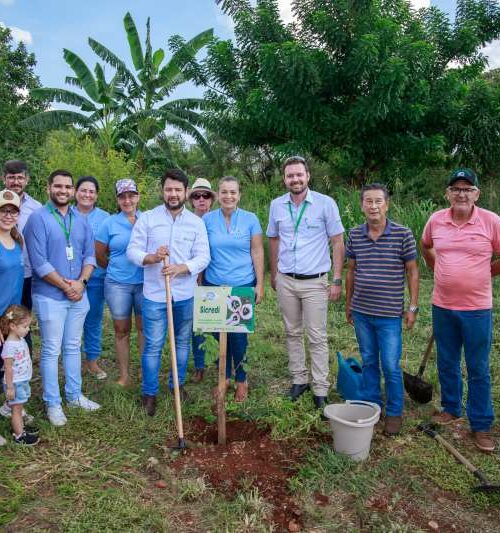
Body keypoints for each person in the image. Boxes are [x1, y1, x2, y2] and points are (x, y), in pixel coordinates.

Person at [421, 168, 500, 452]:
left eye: (467, 189)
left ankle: (480, 424)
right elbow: (426, 246)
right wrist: (438, 268)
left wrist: (486, 272)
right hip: (443, 306)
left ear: (476, 194)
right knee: (447, 360)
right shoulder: (436, 220)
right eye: (456, 189)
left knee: (478, 368)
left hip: (477, 308)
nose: (461, 194)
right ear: (448, 194)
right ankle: (451, 408)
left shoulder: (491, 222)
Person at [127, 169, 210, 416]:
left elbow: (204, 256)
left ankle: (177, 385)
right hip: (154, 294)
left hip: (185, 294)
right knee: (153, 345)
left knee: (182, 343)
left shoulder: (196, 223)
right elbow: (132, 250)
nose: (172, 194)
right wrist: (151, 257)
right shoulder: (149, 219)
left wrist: (183, 268)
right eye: (168, 189)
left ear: (186, 192)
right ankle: (149, 393)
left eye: (177, 190)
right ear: (162, 191)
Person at [267, 156, 345, 410]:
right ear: (284, 179)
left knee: (316, 336)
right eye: (290, 176)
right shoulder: (277, 205)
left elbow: (337, 242)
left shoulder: (325, 204)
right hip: (287, 280)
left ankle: (320, 388)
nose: (295, 179)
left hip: (315, 282)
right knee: (292, 332)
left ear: (308, 176)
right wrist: (274, 273)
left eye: (299, 174)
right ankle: (299, 379)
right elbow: (274, 239)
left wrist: (336, 279)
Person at [24, 169, 100, 427]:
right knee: (51, 350)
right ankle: (53, 403)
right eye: (59, 186)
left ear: (73, 191)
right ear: (48, 188)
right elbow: (39, 263)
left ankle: (74, 395)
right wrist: (66, 286)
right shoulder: (37, 218)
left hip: (79, 294)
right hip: (50, 296)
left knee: (72, 346)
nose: (64, 191)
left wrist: (81, 283)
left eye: (68, 187)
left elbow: (90, 256)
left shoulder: (80, 219)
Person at [345, 183, 419, 436]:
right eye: (368, 201)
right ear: (362, 205)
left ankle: (395, 412)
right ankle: (372, 405)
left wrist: (412, 307)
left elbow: (412, 270)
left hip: (389, 315)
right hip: (363, 312)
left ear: (386, 204)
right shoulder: (355, 234)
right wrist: (349, 304)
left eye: (378, 201)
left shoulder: (402, 233)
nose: (373, 206)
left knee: (389, 364)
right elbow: (352, 270)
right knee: (368, 360)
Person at [203, 176, 264, 401]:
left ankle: (241, 380)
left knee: (238, 337)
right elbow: (202, 252)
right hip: (214, 285)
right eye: (224, 192)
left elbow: (257, 251)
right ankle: (224, 378)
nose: (228, 196)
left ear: (239, 195)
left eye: (233, 192)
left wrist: (260, 284)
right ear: (217, 195)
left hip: (242, 285)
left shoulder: (250, 219)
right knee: (218, 335)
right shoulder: (207, 220)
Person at [96, 179, 143, 386]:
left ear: (138, 197)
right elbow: (99, 254)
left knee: (144, 329)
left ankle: (144, 371)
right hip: (118, 285)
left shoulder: (147, 219)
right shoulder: (109, 223)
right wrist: (115, 269)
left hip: (145, 283)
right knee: (121, 330)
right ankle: (124, 375)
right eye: (122, 196)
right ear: (117, 199)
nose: (127, 200)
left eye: (131, 195)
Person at [1, 160, 42, 355]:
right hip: (3, 274)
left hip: (24, 276)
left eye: (20, 178)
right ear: (4, 179)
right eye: (11, 177)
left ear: (27, 179)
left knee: (21, 322)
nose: (16, 182)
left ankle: (22, 362)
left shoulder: (36, 208)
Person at [75, 176, 110, 380]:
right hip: (70, 279)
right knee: (71, 321)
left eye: (91, 191)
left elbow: (109, 248)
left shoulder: (105, 217)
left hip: (96, 278)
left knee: (93, 320)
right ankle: (72, 360)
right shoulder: (65, 213)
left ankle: (92, 361)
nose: (87, 195)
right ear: (75, 192)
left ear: (96, 195)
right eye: (83, 190)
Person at [0, 189, 24, 445]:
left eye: (12, 211)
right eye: (3, 210)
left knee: (6, 370)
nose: (8, 215)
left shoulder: (17, 241)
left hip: (10, 318)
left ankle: (10, 407)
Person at [188, 178, 216, 383]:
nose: (201, 200)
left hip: (216, 278)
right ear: (191, 200)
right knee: (197, 324)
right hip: (194, 280)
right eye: (196, 196)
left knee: (217, 322)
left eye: (205, 195)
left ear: (212, 199)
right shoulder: (187, 221)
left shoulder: (218, 219)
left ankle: (218, 361)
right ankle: (199, 365)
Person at [0, 304, 39, 445]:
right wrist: (10, 387)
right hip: (15, 383)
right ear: (12, 326)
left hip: (22, 380)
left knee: (19, 406)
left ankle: (19, 425)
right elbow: (8, 368)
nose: (28, 329)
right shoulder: (10, 346)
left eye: (28, 326)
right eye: (25, 327)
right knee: (16, 409)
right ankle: (19, 436)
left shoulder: (20, 340)